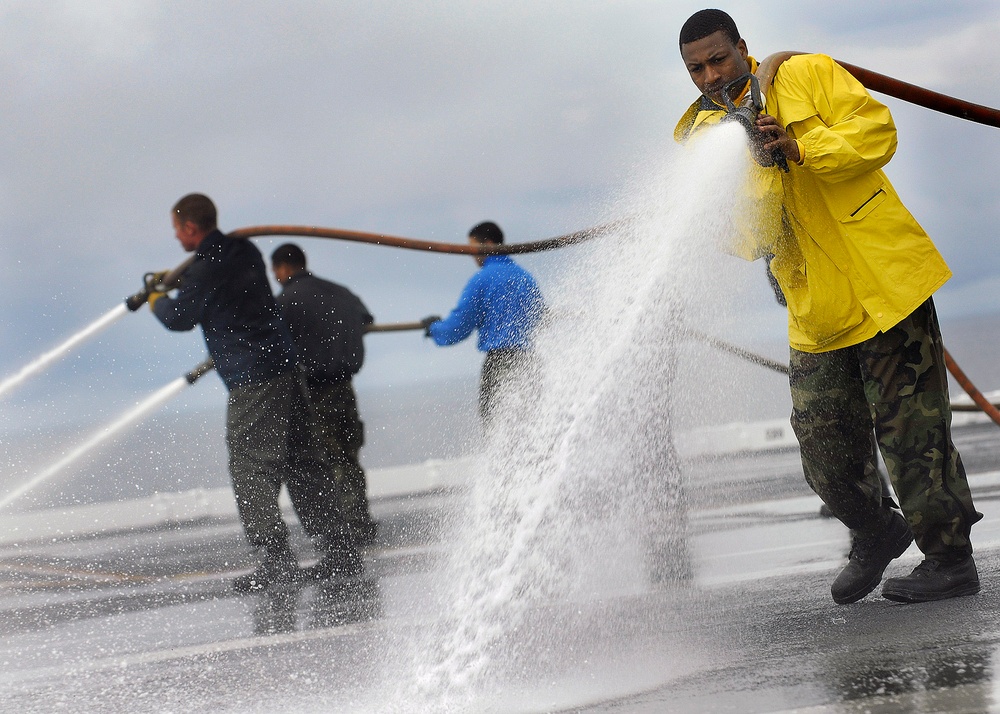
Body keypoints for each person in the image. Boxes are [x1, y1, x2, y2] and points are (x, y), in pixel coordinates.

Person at [675, 10, 981, 604]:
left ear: (743, 46)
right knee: (825, 451)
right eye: (696, 68)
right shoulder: (697, 136)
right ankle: (875, 531)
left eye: (719, 58)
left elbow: (877, 134)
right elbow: (742, 239)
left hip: (884, 284)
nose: (711, 75)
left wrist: (800, 145)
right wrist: (763, 167)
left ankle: (949, 560)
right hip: (815, 309)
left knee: (913, 434)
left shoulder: (807, 75)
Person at [149, 194, 363, 592]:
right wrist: (183, 280)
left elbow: (179, 318)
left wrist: (156, 298)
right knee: (304, 461)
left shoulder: (205, 267)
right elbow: (221, 287)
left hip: (253, 380)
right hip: (287, 371)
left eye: (177, 229)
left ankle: (275, 561)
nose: (176, 236)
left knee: (251, 466)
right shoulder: (243, 250)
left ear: (189, 228)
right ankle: (340, 550)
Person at [270, 243, 378, 546]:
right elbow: (366, 321)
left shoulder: (284, 302)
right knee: (349, 455)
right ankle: (360, 520)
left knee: (328, 461)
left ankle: (347, 530)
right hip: (345, 387)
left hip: (313, 393)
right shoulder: (341, 292)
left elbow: (274, 343)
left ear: (282, 268)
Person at [421, 221, 545, 420]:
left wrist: (433, 328)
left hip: (501, 363)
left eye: (472, 247)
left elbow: (458, 327)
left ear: (487, 244)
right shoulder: (525, 278)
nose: (470, 254)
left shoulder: (482, 280)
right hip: (530, 363)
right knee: (532, 425)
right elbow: (540, 317)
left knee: (497, 428)